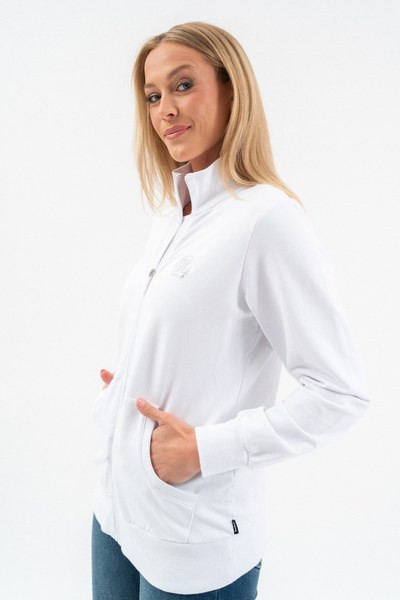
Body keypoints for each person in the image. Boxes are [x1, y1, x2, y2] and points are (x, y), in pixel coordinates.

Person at [91, 21, 371, 600]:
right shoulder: (175, 214)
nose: (166, 109)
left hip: (196, 536)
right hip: (117, 509)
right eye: (153, 96)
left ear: (231, 88)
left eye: (183, 85)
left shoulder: (267, 220)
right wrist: (132, 388)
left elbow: (340, 392)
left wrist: (204, 450)